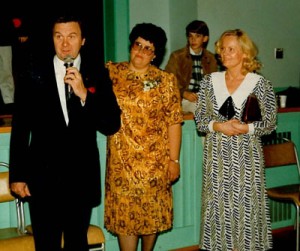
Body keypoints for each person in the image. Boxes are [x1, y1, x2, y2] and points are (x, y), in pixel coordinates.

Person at [9, 14, 121, 251]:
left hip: (81, 177)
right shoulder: (33, 72)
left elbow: (112, 124)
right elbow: (20, 128)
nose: (65, 44)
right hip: (43, 178)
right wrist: (17, 175)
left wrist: (84, 95)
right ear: (52, 39)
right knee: (46, 244)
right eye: (59, 37)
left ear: (83, 40)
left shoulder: (97, 74)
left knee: (76, 244)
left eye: (72, 36)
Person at [194, 29, 277, 251]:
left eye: (231, 49)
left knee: (245, 214)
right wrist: (218, 125)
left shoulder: (259, 84)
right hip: (217, 160)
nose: (225, 53)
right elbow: (200, 119)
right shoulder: (209, 82)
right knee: (218, 212)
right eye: (222, 48)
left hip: (246, 161)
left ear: (244, 53)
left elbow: (270, 123)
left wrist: (246, 128)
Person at [104, 22, 183, 251]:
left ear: (155, 54)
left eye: (148, 48)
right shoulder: (111, 72)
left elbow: (174, 122)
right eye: (138, 45)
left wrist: (174, 160)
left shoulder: (166, 81)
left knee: (151, 215)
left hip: (155, 163)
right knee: (125, 219)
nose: (140, 51)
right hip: (121, 162)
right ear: (131, 45)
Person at [165, 20, 218, 114]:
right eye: (190, 36)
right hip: (183, 99)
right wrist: (183, 93)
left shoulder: (211, 58)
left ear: (205, 38)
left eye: (197, 36)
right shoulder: (177, 56)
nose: (193, 40)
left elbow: (214, 84)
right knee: (202, 110)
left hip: (204, 99)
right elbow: (168, 81)